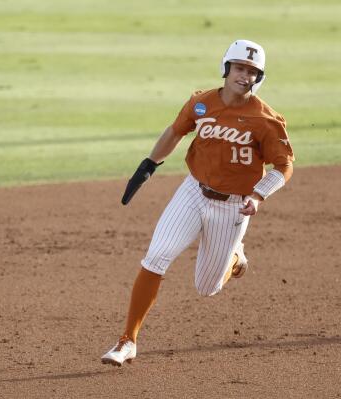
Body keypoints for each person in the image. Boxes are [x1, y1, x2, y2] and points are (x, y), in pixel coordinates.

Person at [101, 39, 295, 366]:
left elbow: (284, 166)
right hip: (193, 191)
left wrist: (259, 195)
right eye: (239, 68)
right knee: (156, 256)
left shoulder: (266, 119)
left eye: (252, 71)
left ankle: (235, 258)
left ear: (258, 77)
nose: (244, 75)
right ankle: (127, 341)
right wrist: (149, 164)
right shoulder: (202, 103)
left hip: (233, 206)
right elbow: (176, 131)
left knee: (206, 288)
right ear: (226, 68)